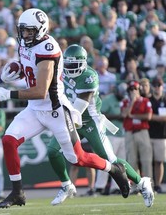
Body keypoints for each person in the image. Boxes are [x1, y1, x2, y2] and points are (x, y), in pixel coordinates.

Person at [0, 8, 130, 209]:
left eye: (29, 31)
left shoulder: (48, 48)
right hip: (34, 109)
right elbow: (28, 67)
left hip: (56, 110)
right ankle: (17, 192)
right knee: (8, 140)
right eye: (23, 30)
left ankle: (114, 169)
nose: (25, 35)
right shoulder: (25, 43)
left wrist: (9, 94)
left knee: (78, 158)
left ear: (40, 29)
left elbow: (40, 90)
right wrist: (16, 71)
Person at [46, 44, 154, 207]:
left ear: (82, 63)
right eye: (67, 65)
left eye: (73, 65)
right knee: (52, 151)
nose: (68, 69)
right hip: (71, 118)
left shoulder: (89, 77)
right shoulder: (61, 71)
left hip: (89, 121)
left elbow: (79, 109)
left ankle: (142, 183)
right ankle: (66, 185)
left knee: (111, 159)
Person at [121, 80, 153, 185]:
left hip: (142, 131)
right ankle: (136, 186)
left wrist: (133, 116)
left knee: (146, 160)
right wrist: (132, 102)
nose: (133, 91)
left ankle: (148, 185)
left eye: (135, 88)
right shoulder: (126, 102)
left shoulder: (145, 101)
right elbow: (124, 114)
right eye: (131, 89)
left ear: (139, 89)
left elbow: (148, 116)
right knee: (132, 161)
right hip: (130, 133)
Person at [149, 77, 166, 194]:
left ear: (162, 87)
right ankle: (149, 185)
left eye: (159, 85)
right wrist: (156, 118)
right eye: (155, 85)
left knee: (159, 161)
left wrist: (152, 117)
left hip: (162, 135)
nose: (157, 87)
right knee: (148, 161)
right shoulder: (148, 100)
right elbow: (146, 116)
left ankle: (158, 185)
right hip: (149, 134)